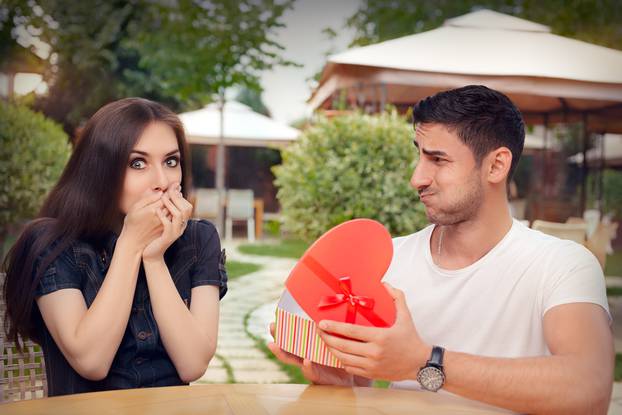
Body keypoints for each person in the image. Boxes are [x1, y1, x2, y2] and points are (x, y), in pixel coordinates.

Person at [268, 85, 613, 414]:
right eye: (420, 156)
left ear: (496, 165)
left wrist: (425, 361)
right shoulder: (389, 261)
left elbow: (589, 390)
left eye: (438, 160)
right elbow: (369, 389)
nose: (417, 178)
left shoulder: (562, 264)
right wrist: (344, 382)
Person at [2, 98, 227, 396]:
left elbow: (193, 364)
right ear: (100, 172)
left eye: (171, 161)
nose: (162, 181)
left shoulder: (199, 239)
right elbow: (91, 361)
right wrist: (131, 245)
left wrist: (155, 258)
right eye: (138, 163)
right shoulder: (53, 243)